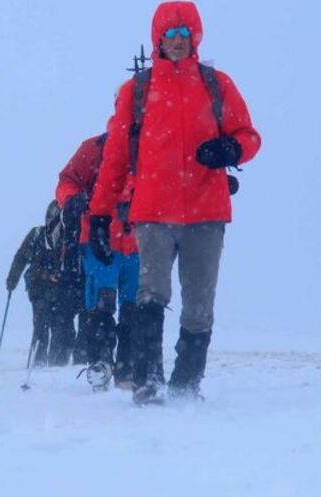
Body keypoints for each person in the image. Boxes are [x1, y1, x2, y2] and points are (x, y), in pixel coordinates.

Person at [89, 1, 261, 403]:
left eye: (184, 34)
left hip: (207, 212)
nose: (178, 42)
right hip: (152, 214)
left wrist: (229, 148)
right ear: (157, 39)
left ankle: (186, 387)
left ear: (195, 37)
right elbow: (114, 158)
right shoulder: (138, 91)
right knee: (151, 295)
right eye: (170, 34)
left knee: (199, 304)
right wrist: (100, 213)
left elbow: (250, 137)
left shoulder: (217, 84)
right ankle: (149, 385)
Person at [57, 133, 140, 391]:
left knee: (134, 307)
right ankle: (100, 363)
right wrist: (72, 201)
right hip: (98, 238)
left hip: (140, 241)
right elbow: (68, 180)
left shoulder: (154, 143)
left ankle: (128, 366)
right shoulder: (94, 147)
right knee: (102, 304)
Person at [6, 201, 80, 367]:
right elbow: (21, 257)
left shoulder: (71, 237)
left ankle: (59, 362)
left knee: (61, 324)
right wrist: (12, 279)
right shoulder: (37, 234)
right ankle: (40, 360)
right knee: (42, 323)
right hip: (39, 287)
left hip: (63, 288)